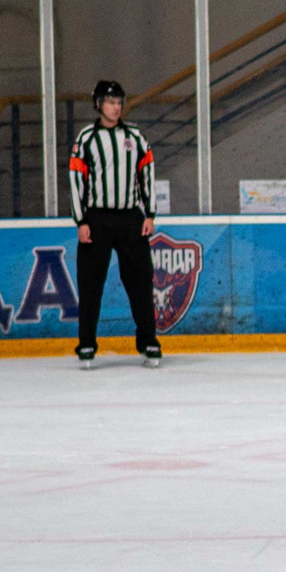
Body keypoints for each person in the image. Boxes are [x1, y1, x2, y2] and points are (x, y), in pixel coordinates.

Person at [67, 80, 161, 367]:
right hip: (97, 219)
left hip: (130, 218)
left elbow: (147, 172)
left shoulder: (135, 135)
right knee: (90, 284)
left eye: (119, 102)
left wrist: (150, 214)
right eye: (110, 102)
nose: (116, 107)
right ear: (98, 105)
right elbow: (76, 180)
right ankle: (86, 343)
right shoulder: (86, 138)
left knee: (141, 282)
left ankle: (148, 341)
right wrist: (81, 220)